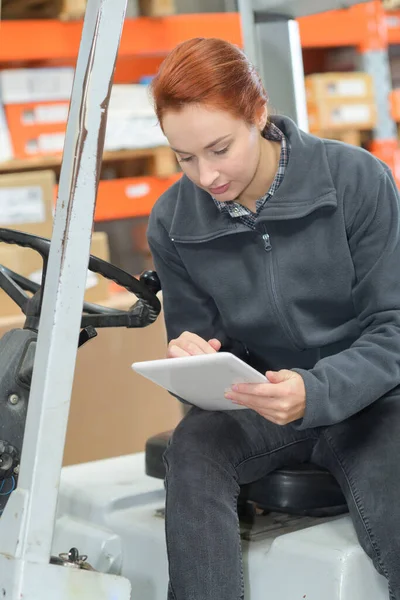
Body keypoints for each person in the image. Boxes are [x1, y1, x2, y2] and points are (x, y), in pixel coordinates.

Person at [147, 37, 400, 600]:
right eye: (185, 158)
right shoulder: (171, 222)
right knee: (192, 450)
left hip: (373, 401)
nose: (206, 176)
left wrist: (317, 389)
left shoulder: (358, 181)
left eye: (219, 148)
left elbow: (395, 328)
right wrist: (192, 358)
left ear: (257, 114)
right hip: (259, 403)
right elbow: (198, 338)